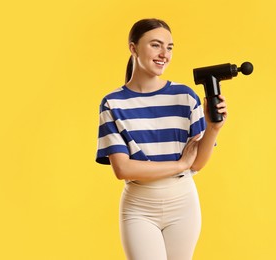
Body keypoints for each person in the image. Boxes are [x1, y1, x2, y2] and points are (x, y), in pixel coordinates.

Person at [96, 18, 227, 260]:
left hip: (183, 203)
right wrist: (179, 165)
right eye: (155, 45)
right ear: (133, 48)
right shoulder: (112, 103)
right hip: (139, 207)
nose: (164, 54)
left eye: (169, 47)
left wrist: (213, 128)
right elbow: (123, 169)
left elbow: (196, 164)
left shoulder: (186, 96)